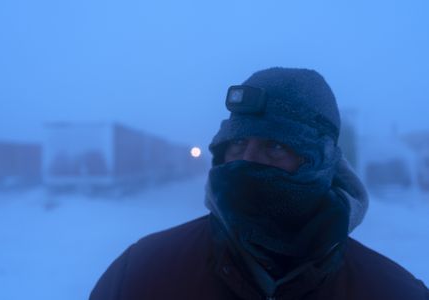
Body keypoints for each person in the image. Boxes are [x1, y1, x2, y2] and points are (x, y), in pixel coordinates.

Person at [90, 67, 429, 300]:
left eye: (275, 146)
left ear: (323, 163)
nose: (246, 160)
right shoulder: (141, 276)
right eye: (237, 144)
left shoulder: (391, 291)